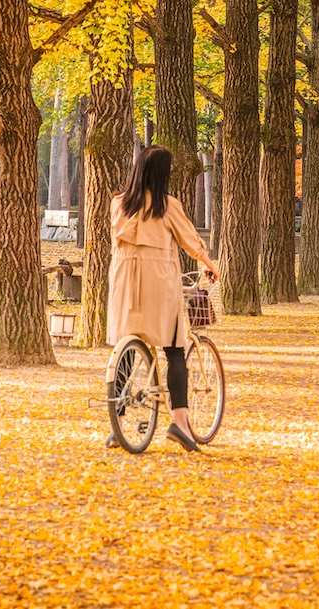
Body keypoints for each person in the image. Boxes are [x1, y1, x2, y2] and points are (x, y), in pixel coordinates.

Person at [106, 145, 218, 452]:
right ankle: (180, 422)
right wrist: (210, 265)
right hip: (159, 281)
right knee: (174, 347)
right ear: (160, 173)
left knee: (128, 347)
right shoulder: (167, 205)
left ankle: (118, 425)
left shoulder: (119, 204)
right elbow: (189, 241)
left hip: (125, 282)